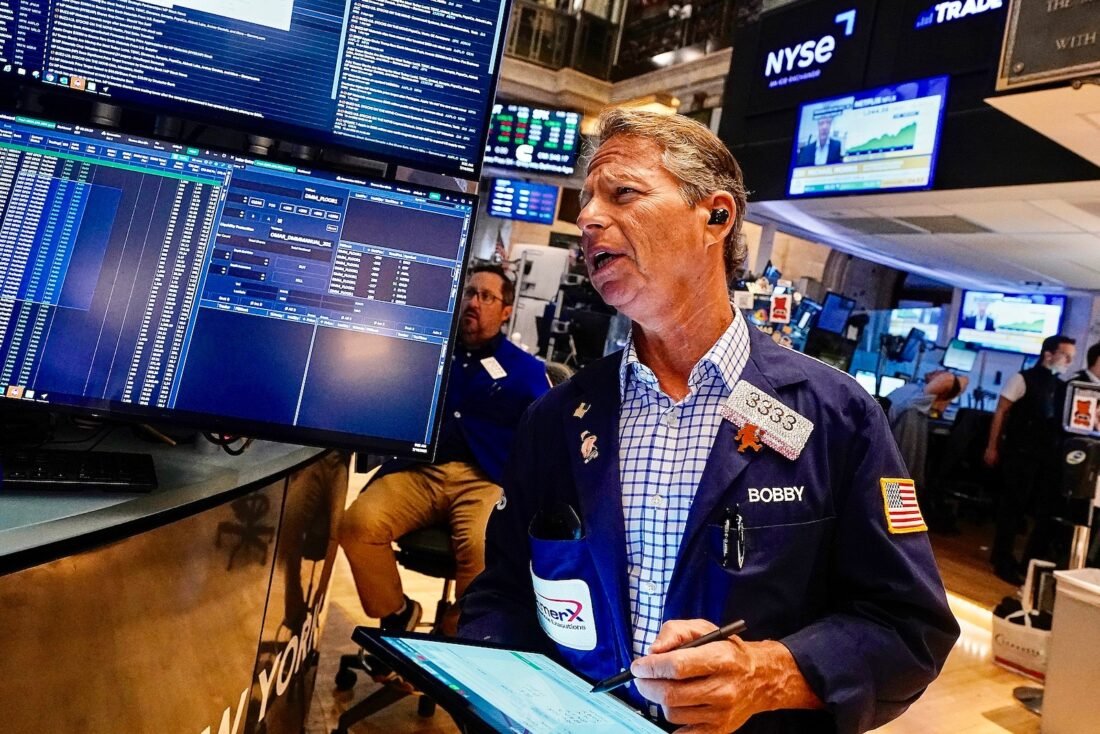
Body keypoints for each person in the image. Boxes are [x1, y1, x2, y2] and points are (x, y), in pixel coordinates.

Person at [460, 109, 958, 734]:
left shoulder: (837, 416)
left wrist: (772, 673)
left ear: (716, 217)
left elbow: (908, 627)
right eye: (587, 198)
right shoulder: (556, 419)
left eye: (623, 193)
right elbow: (503, 595)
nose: (587, 218)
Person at [340, 264, 550, 634]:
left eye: (486, 297)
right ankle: (397, 613)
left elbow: (545, 436)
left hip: (484, 479)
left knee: (484, 547)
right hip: (420, 469)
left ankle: (455, 633)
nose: (474, 302)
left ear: (505, 311)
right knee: (357, 525)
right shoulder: (429, 351)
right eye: (469, 293)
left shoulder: (526, 371)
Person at [984, 335, 1076, 584]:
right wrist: (992, 446)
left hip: (1044, 457)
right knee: (1012, 508)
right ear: (1048, 354)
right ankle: (1002, 558)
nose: (1069, 361)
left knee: (1033, 510)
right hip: (1019, 453)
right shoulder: (1022, 379)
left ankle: (1024, 561)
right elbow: (1001, 411)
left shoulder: (1061, 386)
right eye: (1065, 356)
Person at [887, 370, 968, 530]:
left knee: (899, 478)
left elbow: (958, 380)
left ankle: (896, 524)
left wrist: (944, 399)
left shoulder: (921, 398)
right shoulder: (918, 393)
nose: (935, 372)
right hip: (892, 429)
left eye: (940, 373)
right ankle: (895, 524)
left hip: (899, 462)